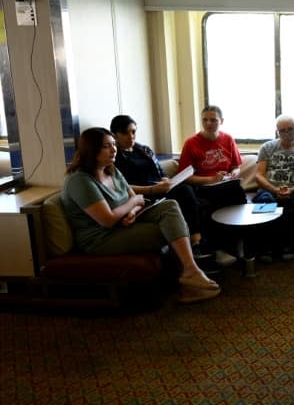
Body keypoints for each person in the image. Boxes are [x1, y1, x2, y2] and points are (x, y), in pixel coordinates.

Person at [60, 127, 220, 304]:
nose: (114, 150)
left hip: (121, 224)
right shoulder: (80, 180)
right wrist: (133, 204)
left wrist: (132, 212)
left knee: (170, 206)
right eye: (107, 146)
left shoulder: (111, 170)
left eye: (114, 145)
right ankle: (190, 277)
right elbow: (107, 219)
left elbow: (138, 202)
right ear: (91, 150)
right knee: (167, 230)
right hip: (100, 238)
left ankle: (190, 271)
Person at [110, 115, 209, 260]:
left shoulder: (144, 150)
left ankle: (200, 243)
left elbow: (160, 173)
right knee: (185, 193)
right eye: (125, 133)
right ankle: (195, 241)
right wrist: (153, 189)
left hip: (159, 189)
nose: (131, 136)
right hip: (142, 195)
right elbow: (122, 186)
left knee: (191, 191)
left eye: (133, 132)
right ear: (115, 135)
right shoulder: (114, 157)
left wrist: (165, 180)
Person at [178, 105, 243, 267]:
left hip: (226, 184)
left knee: (238, 193)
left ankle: (238, 244)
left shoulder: (228, 139)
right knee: (209, 206)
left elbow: (236, 166)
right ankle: (215, 248)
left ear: (221, 121)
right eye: (205, 120)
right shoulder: (191, 143)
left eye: (213, 120)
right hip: (203, 186)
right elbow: (185, 178)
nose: (208, 123)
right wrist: (210, 180)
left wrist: (235, 172)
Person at [252, 114, 294, 258]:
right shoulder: (267, 147)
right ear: (277, 132)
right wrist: (274, 190)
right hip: (270, 189)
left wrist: (292, 190)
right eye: (282, 131)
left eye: (290, 129)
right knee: (264, 202)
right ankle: (267, 247)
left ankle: (291, 246)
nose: (287, 134)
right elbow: (259, 175)